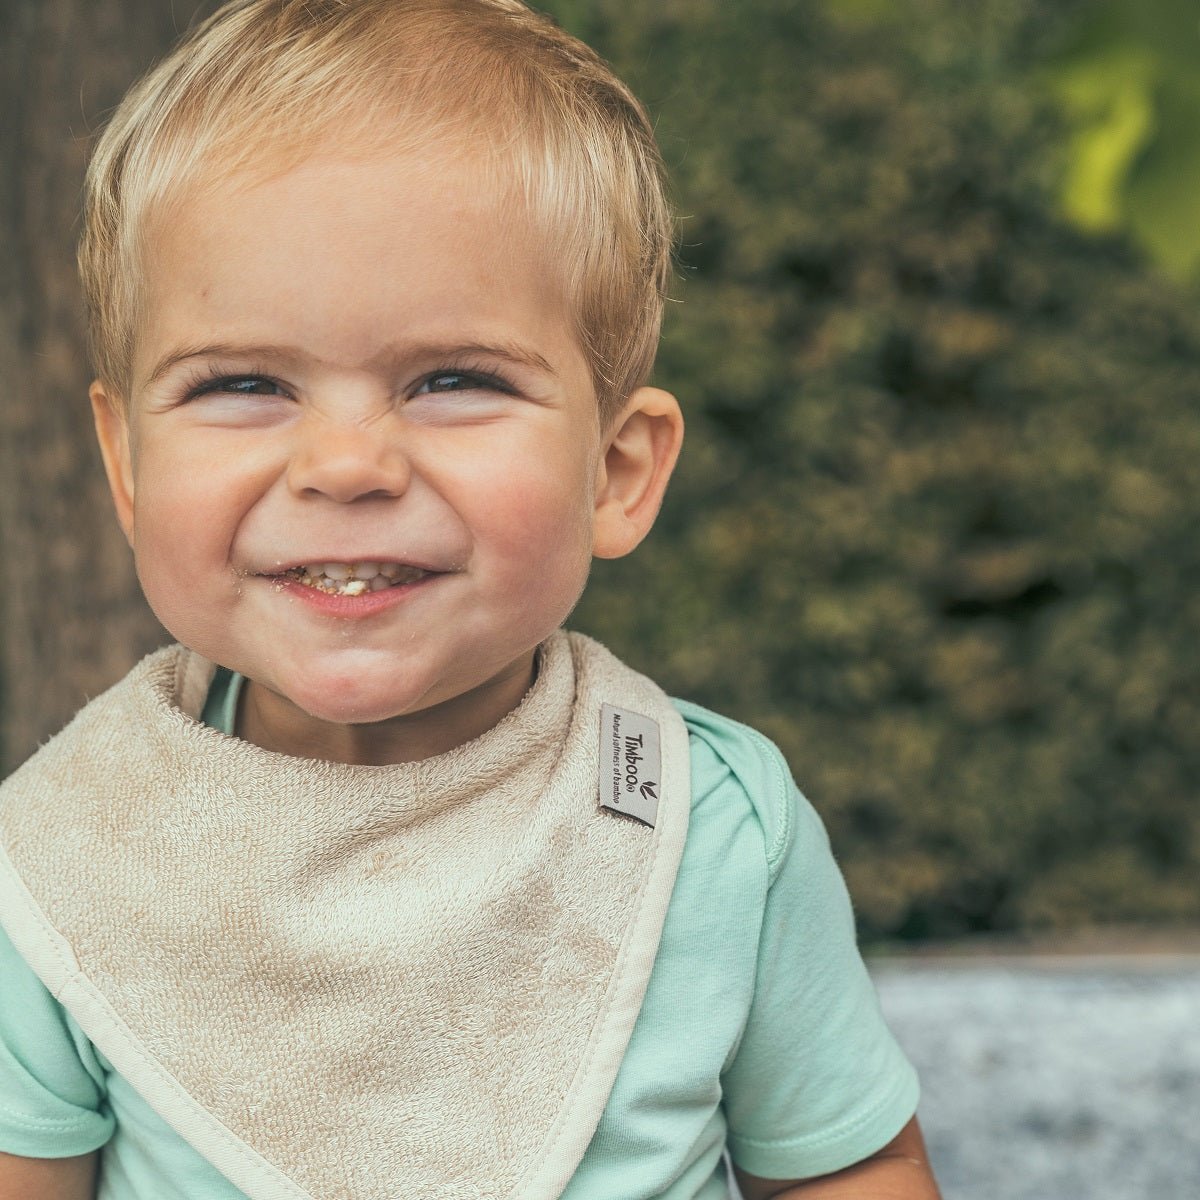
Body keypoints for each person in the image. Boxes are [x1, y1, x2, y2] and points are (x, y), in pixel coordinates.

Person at [0, 2, 941, 1197]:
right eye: (243, 383)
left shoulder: (710, 831)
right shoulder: (56, 866)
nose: (346, 465)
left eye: (453, 380)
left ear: (615, 472)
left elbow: (849, 1171)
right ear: (128, 465)